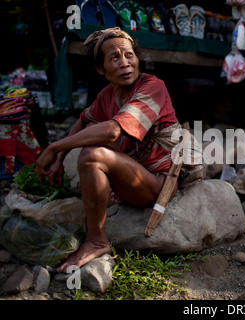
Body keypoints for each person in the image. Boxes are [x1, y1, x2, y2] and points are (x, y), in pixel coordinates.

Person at [35, 27, 181, 272]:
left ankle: (96, 240)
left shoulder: (153, 86)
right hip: (134, 173)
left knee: (92, 155)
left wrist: (54, 146)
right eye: (115, 58)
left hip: (159, 181)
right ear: (101, 69)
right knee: (91, 146)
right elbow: (84, 120)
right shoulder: (108, 95)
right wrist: (59, 158)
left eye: (129, 55)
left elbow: (113, 131)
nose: (125, 63)